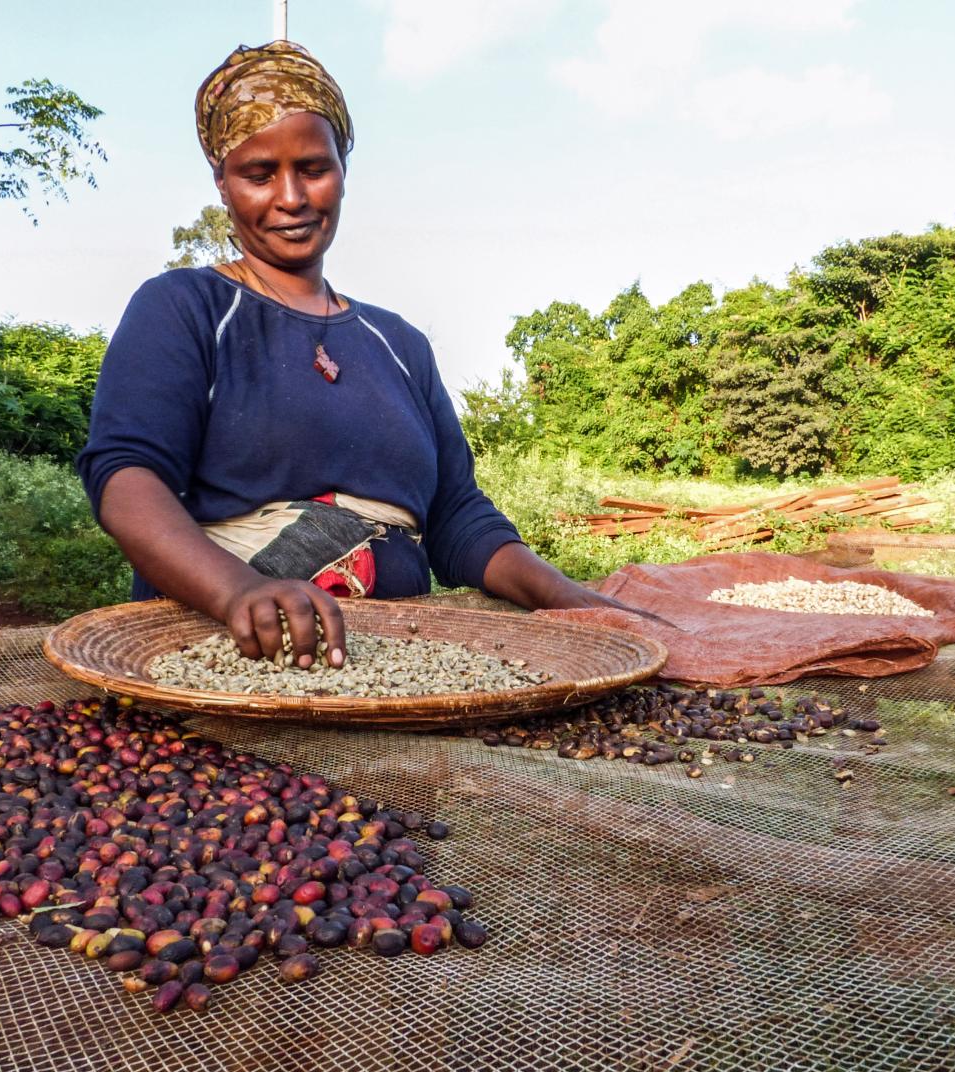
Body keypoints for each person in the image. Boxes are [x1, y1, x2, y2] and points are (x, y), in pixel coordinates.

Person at [76, 41, 625, 672]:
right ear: (223, 184)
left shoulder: (400, 344)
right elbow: (127, 481)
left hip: (395, 669)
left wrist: (569, 598)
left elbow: (457, 517)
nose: (291, 197)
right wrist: (239, 591)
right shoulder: (185, 307)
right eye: (259, 174)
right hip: (225, 659)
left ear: (343, 169)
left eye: (313, 168)